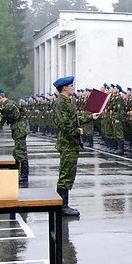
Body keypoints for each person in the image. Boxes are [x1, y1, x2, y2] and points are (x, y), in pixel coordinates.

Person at [52, 76, 84, 216]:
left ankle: (64, 204)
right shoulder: (60, 102)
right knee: (65, 174)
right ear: (64, 88)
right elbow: (64, 123)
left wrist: (90, 117)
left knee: (69, 173)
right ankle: (62, 205)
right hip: (67, 143)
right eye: (71, 85)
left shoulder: (68, 101)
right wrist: (77, 131)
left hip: (72, 143)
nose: (73, 87)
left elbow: (74, 119)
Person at [0, 88, 30, 184]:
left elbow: (0, 122)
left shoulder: (8, 106)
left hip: (20, 129)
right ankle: (18, 174)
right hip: (18, 129)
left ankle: (24, 176)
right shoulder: (7, 105)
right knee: (17, 153)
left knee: (21, 153)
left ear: (0, 97)